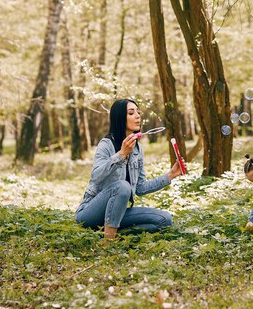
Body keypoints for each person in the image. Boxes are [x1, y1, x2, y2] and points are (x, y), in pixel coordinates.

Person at [76, 99, 182, 240]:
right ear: (119, 118)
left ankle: (110, 233)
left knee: (165, 219)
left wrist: (170, 175)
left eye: (138, 112)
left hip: (116, 212)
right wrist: (121, 154)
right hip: (90, 213)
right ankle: (109, 244)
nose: (138, 116)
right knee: (122, 186)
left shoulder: (137, 149)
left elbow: (140, 188)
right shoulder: (106, 144)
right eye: (131, 113)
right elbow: (96, 176)